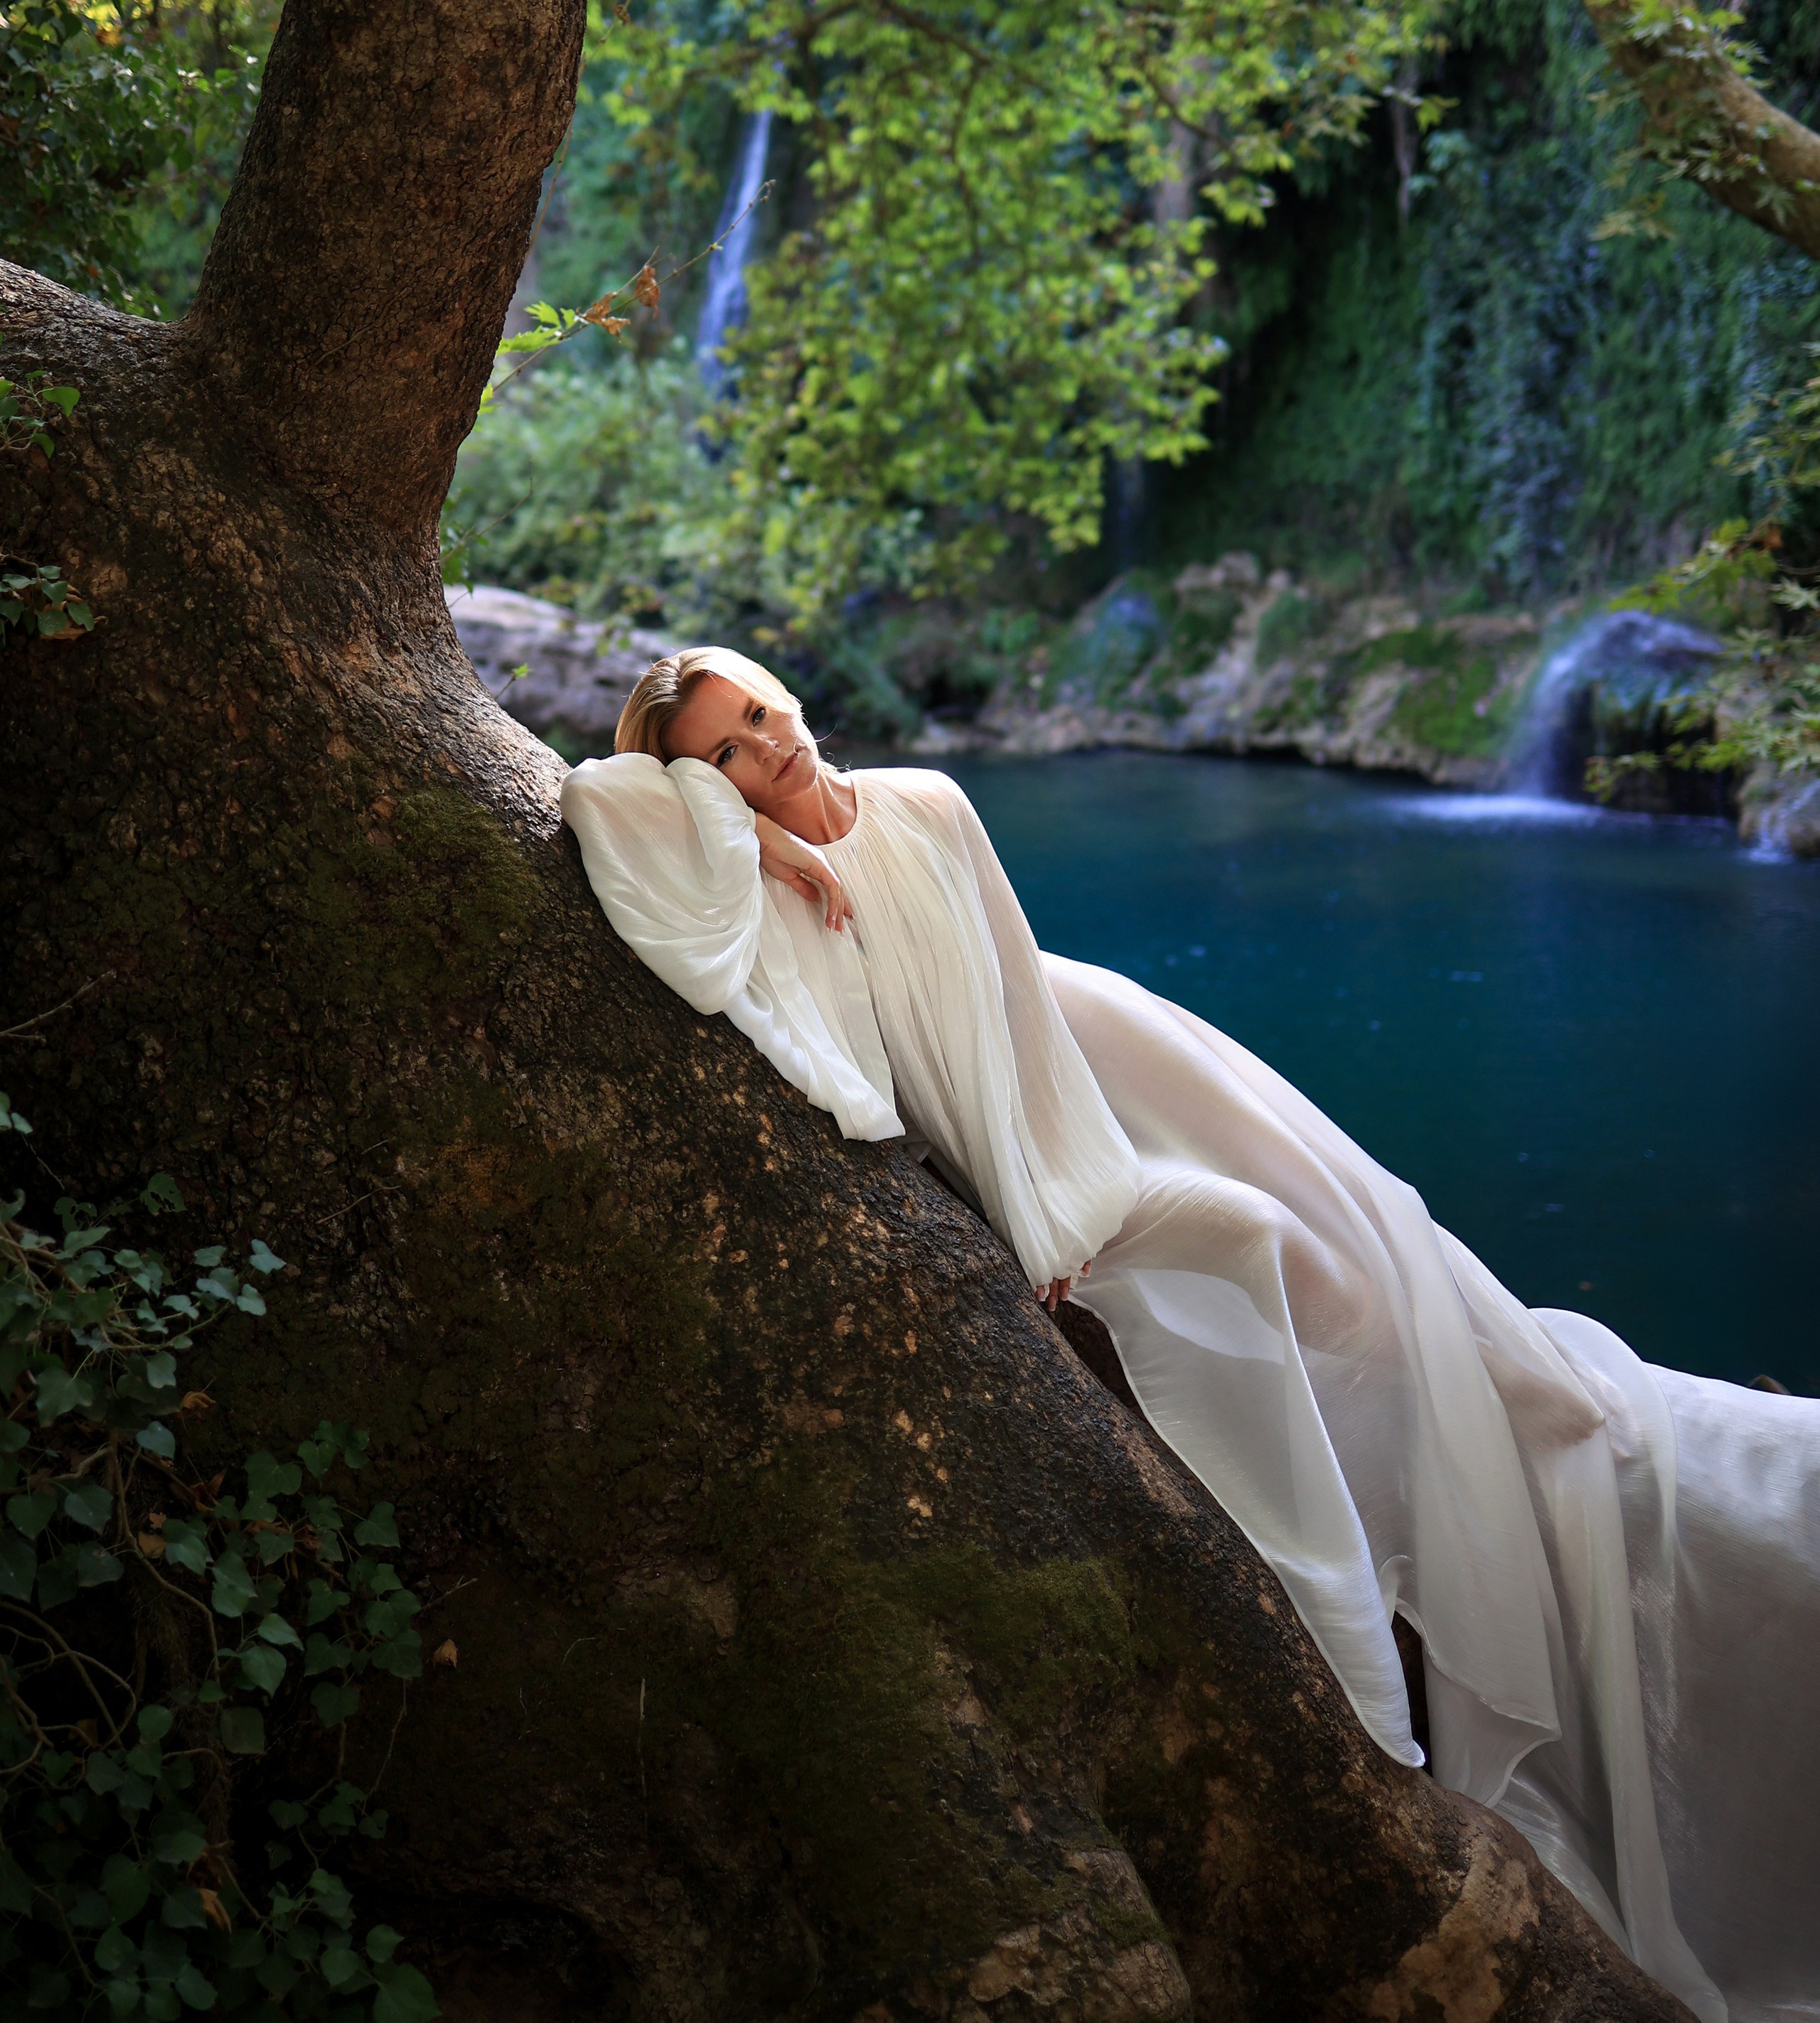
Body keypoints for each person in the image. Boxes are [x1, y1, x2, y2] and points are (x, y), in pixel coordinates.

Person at [562, 645, 1820, 2023]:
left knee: (1320, 1241)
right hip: (1026, 1151)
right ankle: (1356, 1669)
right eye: (729, 749)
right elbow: (586, 797)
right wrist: (740, 833)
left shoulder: (926, 805)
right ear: (697, 782)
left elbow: (1012, 1039)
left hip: (1080, 1093)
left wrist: (1044, 1215)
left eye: (760, 711)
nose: (767, 744)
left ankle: (1442, 1498)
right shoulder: (746, 884)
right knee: (1247, 1253)